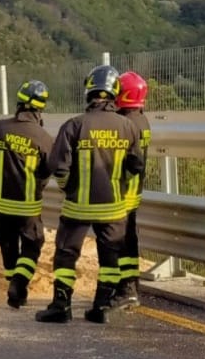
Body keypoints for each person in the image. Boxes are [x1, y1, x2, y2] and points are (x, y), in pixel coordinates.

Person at [35, 65, 145, 325]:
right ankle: (102, 308)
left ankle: (61, 306)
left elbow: (58, 167)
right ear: (114, 93)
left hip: (77, 208)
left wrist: (67, 189)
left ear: (89, 90)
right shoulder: (128, 127)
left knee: (65, 255)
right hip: (114, 208)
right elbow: (136, 166)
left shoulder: (74, 125)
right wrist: (119, 185)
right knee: (110, 258)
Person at [0, 80, 54, 308]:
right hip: (27, 206)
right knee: (32, 244)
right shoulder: (43, 138)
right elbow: (50, 168)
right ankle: (19, 282)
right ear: (41, 108)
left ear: (19, 103)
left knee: (7, 245)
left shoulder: (0, 129)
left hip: (1, 204)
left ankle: (12, 281)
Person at [115, 70, 151, 307]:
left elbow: (130, 162)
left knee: (120, 243)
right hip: (134, 193)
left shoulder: (127, 123)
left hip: (122, 193)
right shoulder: (142, 121)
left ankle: (126, 290)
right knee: (129, 240)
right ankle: (130, 287)